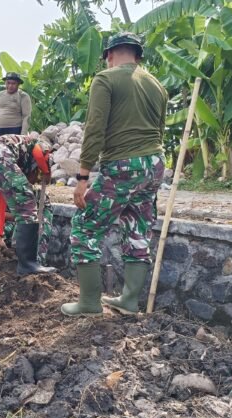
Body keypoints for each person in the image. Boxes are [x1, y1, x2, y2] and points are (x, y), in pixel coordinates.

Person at [62, 32, 167, 317]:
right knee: (137, 227)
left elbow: (95, 129)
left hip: (123, 164)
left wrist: (82, 178)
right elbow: (160, 128)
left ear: (109, 55)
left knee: (85, 227)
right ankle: (129, 301)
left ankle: (89, 303)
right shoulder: (156, 84)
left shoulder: (105, 79)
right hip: (155, 164)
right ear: (137, 55)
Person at [0, 134, 55, 275]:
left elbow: (1, 197)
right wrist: (46, 171)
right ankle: (28, 264)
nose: (34, 181)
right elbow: (39, 152)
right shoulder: (39, 142)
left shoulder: (16, 158)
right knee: (26, 204)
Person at [0, 72, 32, 142]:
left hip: (15, 129)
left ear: (18, 84)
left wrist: (23, 135)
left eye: (13, 83)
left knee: (12, 151)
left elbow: (26, 116)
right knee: (0, 150)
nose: (10, 86)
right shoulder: (0, 95)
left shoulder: (23, 96)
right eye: (8, 83)